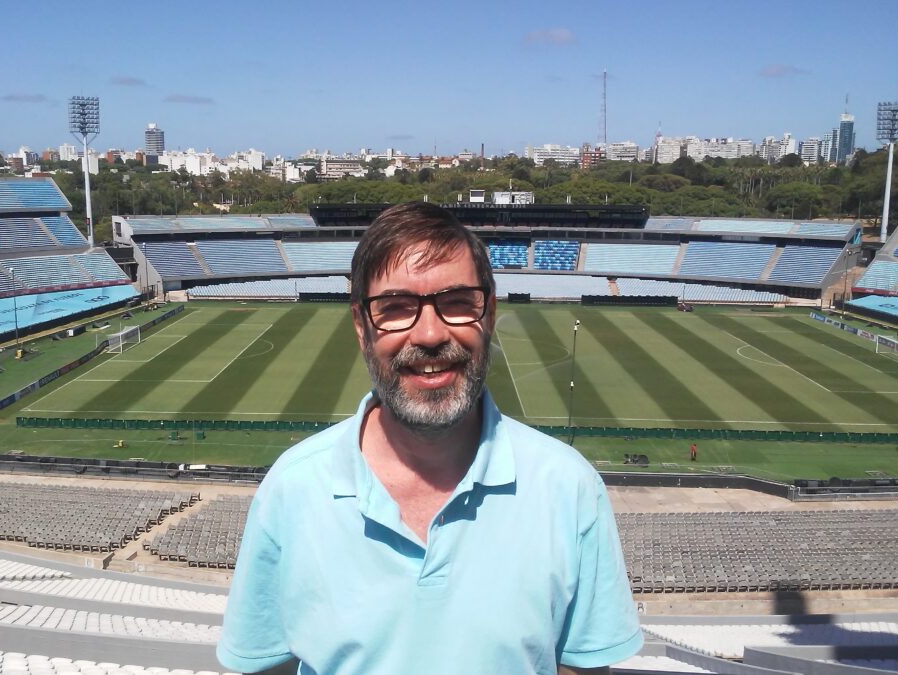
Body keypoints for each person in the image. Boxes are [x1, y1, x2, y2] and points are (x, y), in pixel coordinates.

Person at [218, 202, 642, 675]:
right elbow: (262, 664)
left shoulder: (570, 488)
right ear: (361, 327)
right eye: (396, 308)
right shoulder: (291, 488)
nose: (431, 333)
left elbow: (581, 668)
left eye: (458, 301)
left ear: (490, 313)